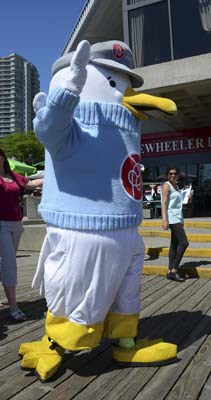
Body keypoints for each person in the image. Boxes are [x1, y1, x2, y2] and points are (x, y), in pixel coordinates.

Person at [0, 148, 43, 321]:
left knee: (6, 263)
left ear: (2, 158)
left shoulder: (14, 176)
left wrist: (51, 177)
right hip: (1, 224)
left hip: (16, 223)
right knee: (10, 263)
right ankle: (13, 307)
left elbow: (29, 184)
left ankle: (8, 291)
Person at [161, 166, 189, 282]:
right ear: (167, 174)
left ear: (178, 174)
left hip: (178, 217)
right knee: (184, 243)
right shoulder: (166, 185)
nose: (173, 175)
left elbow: (177, 204)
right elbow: (164, 204)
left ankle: (169, 271)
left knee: (174, 244)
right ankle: (174, 270)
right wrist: (164, 220)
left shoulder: (176, 186)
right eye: (170, 173)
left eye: (175, 173)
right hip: (171, 217)